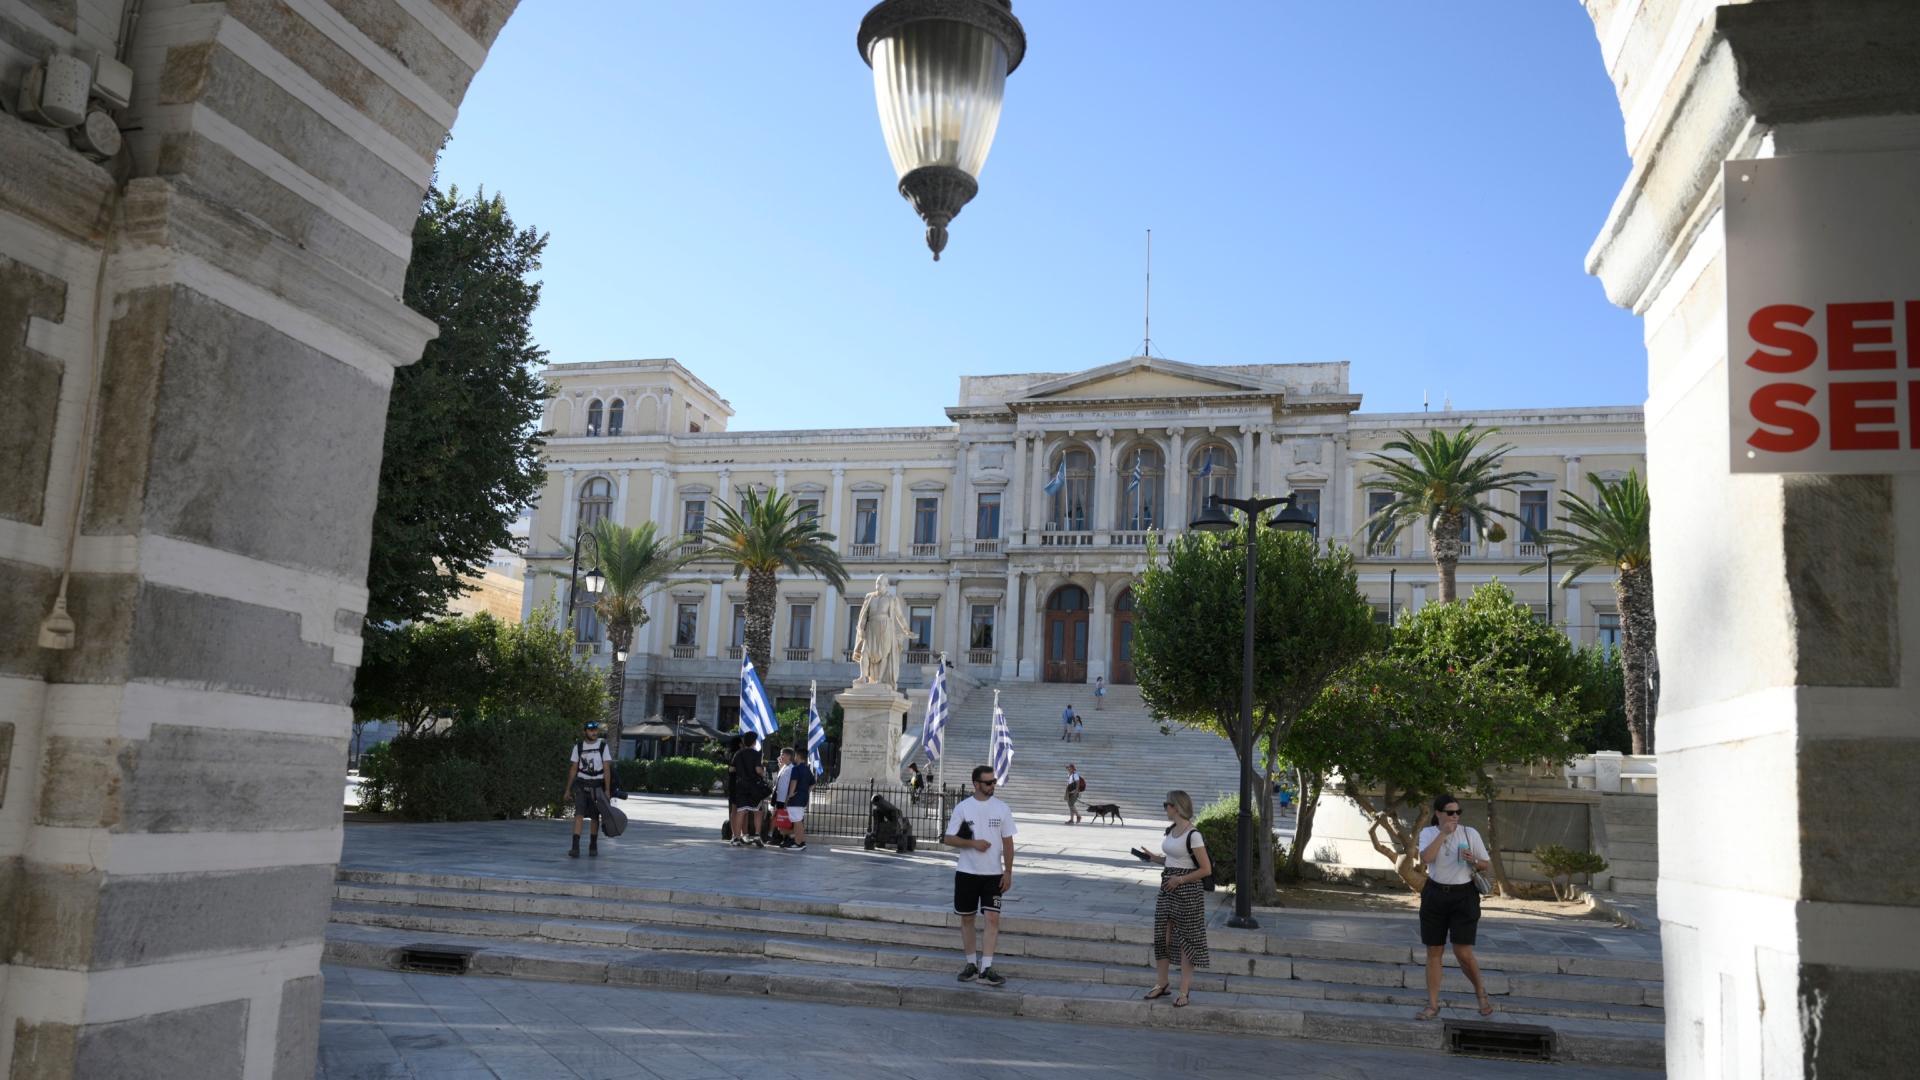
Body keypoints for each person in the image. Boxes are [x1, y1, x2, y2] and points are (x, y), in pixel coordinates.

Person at [1415, 793, 1494, 1020]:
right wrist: (1443, 833)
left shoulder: (1470, 833)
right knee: (1434, 952)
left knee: (1463, 953)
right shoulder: (1428, 833)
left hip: (1464, 896)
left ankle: (1481, 994)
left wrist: (1473, 860)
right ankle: (1432, 1005)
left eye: (1458, 812)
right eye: (1450, 812)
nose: (1455, 816)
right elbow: (1426, 859)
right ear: (1438, 813)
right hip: (1435, 895)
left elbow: (1485, 864)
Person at [943, 765, 1016, 988]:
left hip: (993, 874)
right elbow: (949, 838)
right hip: (967, 872)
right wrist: (973, 843)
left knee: (992, 917)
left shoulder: (1002, 808)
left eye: (994, 781)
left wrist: (1008, 871)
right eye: (988, 782)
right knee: (967, 918)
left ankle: (986, 968)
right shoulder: (963, 807)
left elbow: (1008, 843)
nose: (993, 785)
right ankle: (971, 964)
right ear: (977, 784)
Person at [1141, 790, 1212, 1006]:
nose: (1165, 808)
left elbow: (1206, 869)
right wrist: (1154, 858)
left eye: (1167, 805)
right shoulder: (1172, 830)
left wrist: (1179, 880)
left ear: (1176, 807)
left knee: (1186, 939)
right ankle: (1163, 984)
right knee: (1162, 936)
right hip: (1167, 887)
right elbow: (1174, 860)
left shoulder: (1194, 834)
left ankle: (1184, 990)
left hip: (1187, 891)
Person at [563, 720, 613, 858]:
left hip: (597, 786)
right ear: (585, 732)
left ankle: (593, 845)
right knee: (578, 815)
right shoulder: (578, 747)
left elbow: (607, 769)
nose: (594, 732)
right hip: (581, 785)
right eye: (591, 730)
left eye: (595, 730)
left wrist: (607, 790)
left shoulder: (603, 747)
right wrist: (568, 789)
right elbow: (574, 769)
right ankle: (575, 847)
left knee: (595, 817)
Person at [727, 734, 767, 848]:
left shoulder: (738, 754)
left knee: (741, 810)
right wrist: (763, 774)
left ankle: (736, 837)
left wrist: (741, 770)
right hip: (754, 786)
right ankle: (757, 835)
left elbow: (731, 769)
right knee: (757, 811)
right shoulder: (756, 754)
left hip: (741, 785)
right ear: (754, 743)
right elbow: (758, 770)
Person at [785, 749, 814, 851]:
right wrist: (806, 792)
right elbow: (813, 784)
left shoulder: (796, 769)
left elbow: (794, 781)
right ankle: (801, 842)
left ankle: (798, 843)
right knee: (799, 820)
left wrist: (790, 794)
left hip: (796, 798)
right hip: (803, 797)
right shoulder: (807, 769)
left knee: (797, 820)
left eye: (795, 755)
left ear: (798, 756)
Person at [771, 748, 796, 847]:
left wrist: (788, 796)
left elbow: (791, 783)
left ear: (788, 756)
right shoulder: (784, 767)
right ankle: (779, 837)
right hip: (779, 798)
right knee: (780, 818)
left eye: (783, 755)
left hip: (784, 798)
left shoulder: (791, 768)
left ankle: (787, 838)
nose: (781, 757)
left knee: (785, 819)